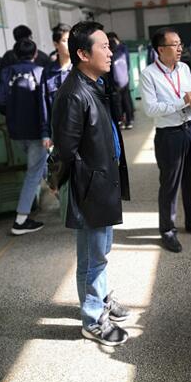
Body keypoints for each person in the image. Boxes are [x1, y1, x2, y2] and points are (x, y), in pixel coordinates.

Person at [51, 21, 130, 346]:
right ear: (83, 54)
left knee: (99, 252)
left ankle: (100, 298)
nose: (110, 53)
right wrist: (56, 182)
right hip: (90, 188)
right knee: (93, 257)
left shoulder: (94, 84)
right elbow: (64, 150)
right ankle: (93, 319)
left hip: (102, 182)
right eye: (104, 47)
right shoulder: (73, 95)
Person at [140, 26, 191, 253]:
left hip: (189, 130)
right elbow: (151, 109)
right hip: (169, 136)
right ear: (161, 49)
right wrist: (183, 102)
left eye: (180, 44)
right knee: (170, 185)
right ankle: (168, 230)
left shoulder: (184, 68)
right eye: (175, 44)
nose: (180, 48)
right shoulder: (149, 74)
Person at [0, 39, 47, 235]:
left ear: (15, 54)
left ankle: (65, 200)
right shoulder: (40, 71)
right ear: (35, 54)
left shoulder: (6, 72)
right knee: (34, 172)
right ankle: (21, 220)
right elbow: (46, 103)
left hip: (15, 131)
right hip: (37, 131)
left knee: (41, 166)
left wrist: (13, 114)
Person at [39, 25, 72, 147]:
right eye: (65, 41)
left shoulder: (82, 69)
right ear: (56, 44)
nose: (70, 44)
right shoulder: (48, 72)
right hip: (60, 133)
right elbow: (44, 104)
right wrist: (46, 133)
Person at [107, 32, 134, 129]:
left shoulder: (112, 51)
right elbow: (128, 64)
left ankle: (120, 121)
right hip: (125, 79)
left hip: (115, 81)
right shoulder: (124, 48)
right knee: (126, 100)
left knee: (117, 102)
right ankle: (129, 120)